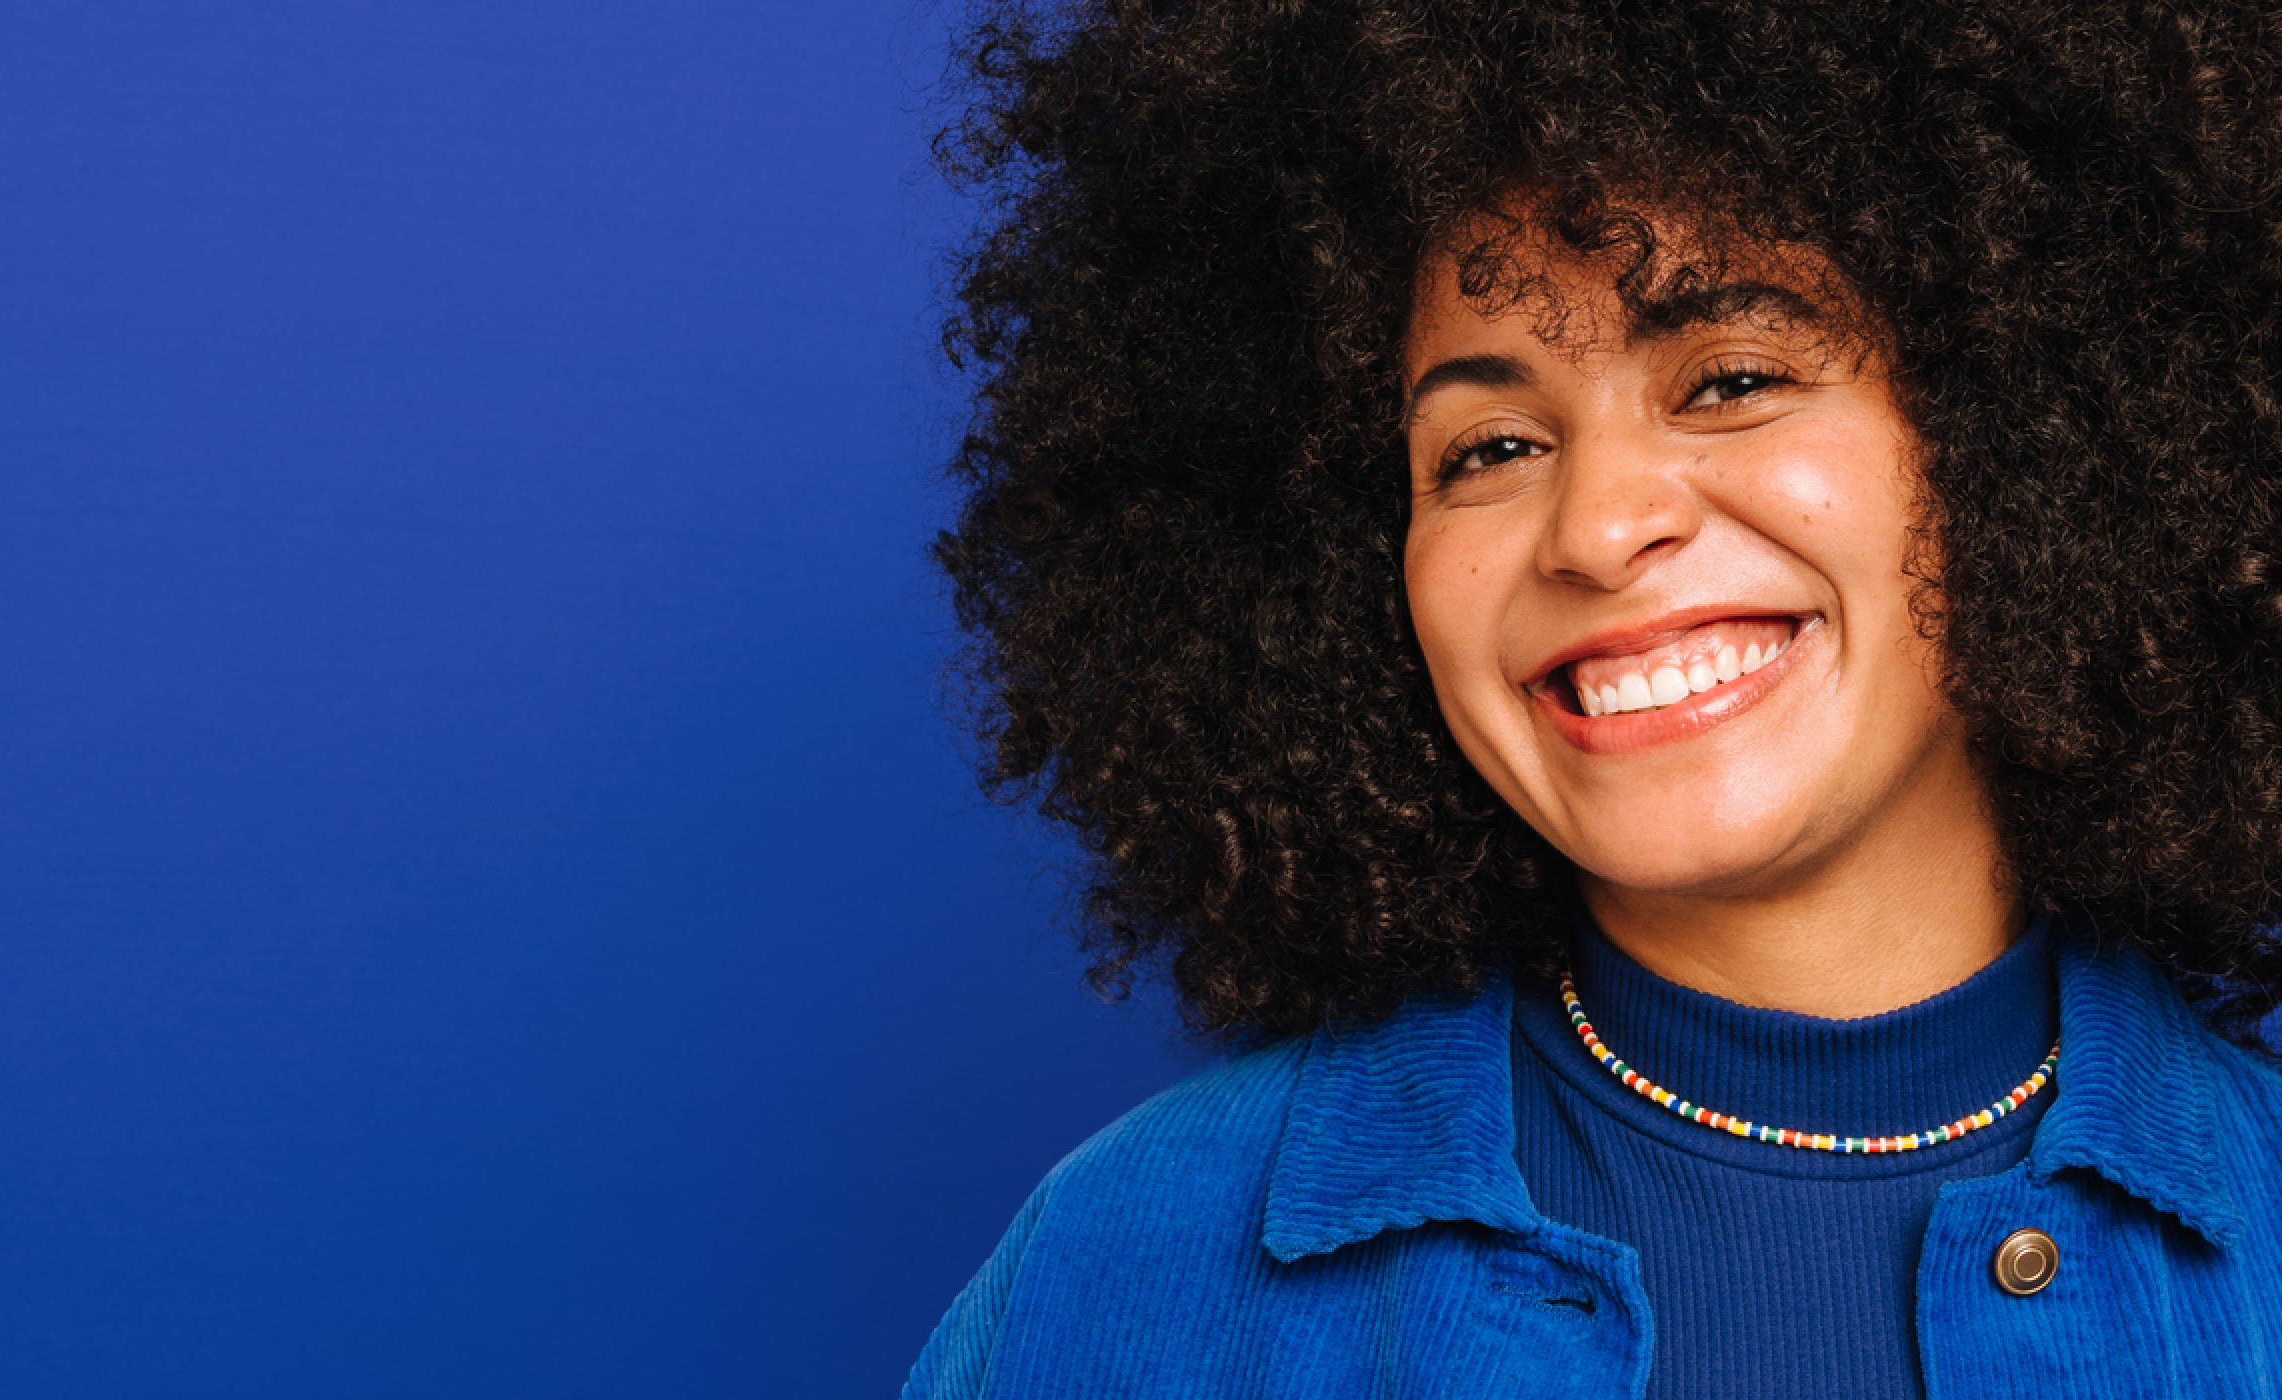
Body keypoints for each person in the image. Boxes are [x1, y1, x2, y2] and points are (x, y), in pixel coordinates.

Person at [908, 2, 2282, 1396]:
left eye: (1734, 379)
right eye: (1490, 446)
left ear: (2034, 435)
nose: (1597, 527)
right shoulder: (1126, 1265)